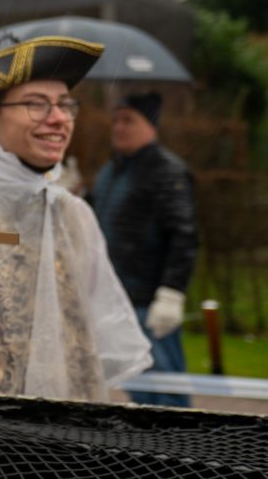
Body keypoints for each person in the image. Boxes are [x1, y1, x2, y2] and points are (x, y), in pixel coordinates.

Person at [0, 36, 151, 401]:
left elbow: (93, 327)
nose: (59, 119)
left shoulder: (73, 215)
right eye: (36, 104)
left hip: (70, 431)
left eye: (64, 105)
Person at [89, 91, 198, 407]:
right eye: (116, 120)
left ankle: (182, 452)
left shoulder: (168, 171)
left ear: (150, 125)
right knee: (138, 389)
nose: (119, 128)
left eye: (128, 120)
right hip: (116, 299)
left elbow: (183, 234)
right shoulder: (111, 171)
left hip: (148, 303)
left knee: (166, 394)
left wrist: (171, 292)